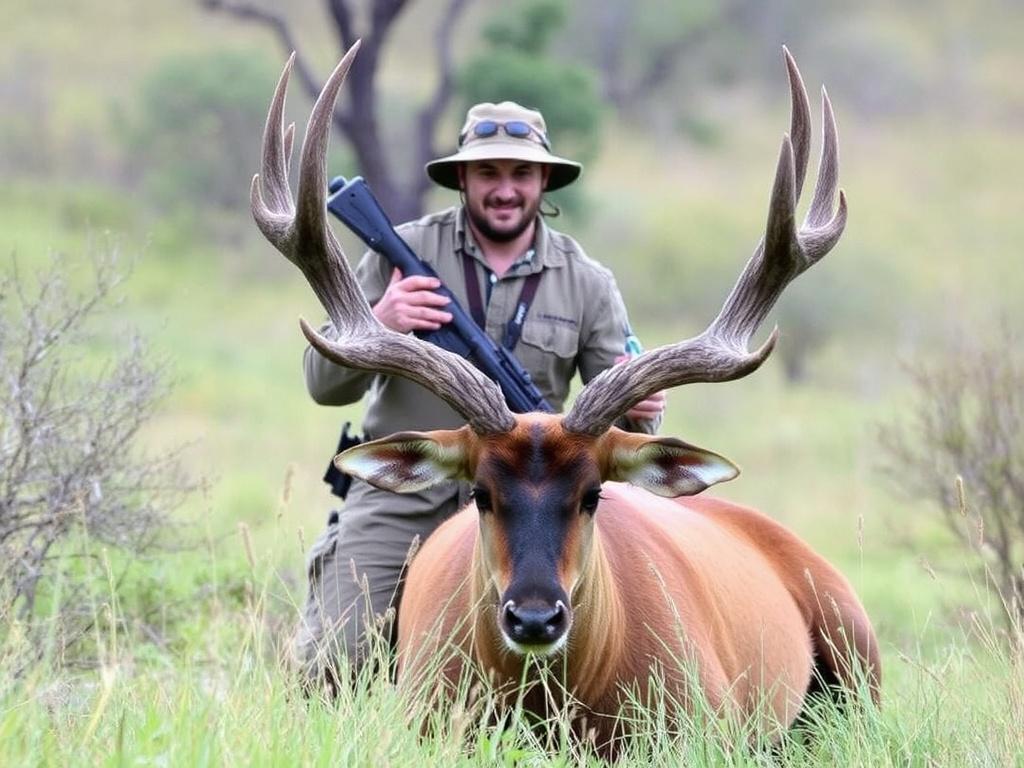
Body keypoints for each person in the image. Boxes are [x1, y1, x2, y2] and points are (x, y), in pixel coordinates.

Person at [293, 101, 666, 686]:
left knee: (574, 663)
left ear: (544, 180)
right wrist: (383, 319)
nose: (505, 190)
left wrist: (645, 405)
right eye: (488, 173)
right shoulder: (396, 255)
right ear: (462, 178)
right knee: (334, 664)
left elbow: (621, 417)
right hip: (408, 487)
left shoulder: (588, 281)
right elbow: (321, 384)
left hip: (534, 499)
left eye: (520, 174)